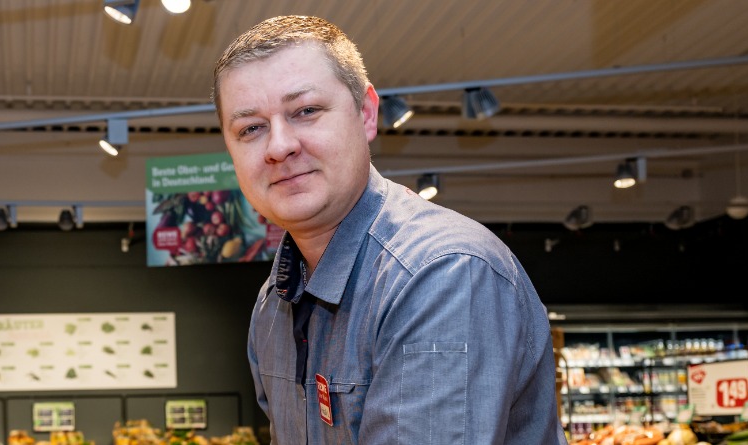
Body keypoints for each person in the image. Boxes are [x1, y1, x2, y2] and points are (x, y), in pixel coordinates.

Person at [214, 16, 566, 444]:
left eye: (306, 111)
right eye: (250, 128)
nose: (278, 146)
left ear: (365, 114)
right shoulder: (274, 304)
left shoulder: (442, 274)